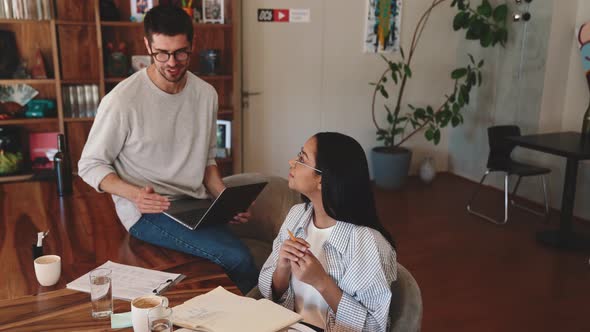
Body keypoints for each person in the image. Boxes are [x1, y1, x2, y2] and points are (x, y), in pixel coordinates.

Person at [78, 5, 257, 294]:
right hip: (147, 211)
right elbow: (90, 164)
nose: (172, 62)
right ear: (147, 45)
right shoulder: (122, 100)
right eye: (162, 53)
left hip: (195, 204)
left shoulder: (206, 95)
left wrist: (224, 199)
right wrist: (135, 195)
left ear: (192, 44)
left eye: (180, 52)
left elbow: (207, 158)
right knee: (238, 258)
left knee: (228, 262)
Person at [258, 132, 397, 332]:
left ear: (323, 180)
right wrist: (282, 267)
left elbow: (374, 327)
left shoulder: (366, 242)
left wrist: (322, 282)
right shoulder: (297, 215)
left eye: (302, 158)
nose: (292, 162)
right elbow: (267, 291)